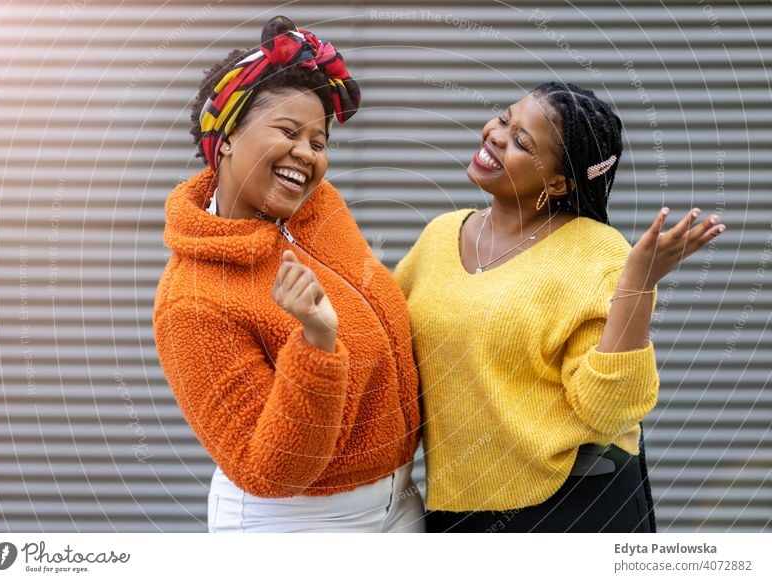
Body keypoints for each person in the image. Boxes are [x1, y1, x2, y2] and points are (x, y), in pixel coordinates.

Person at [394, 81, 726, 533]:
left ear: (557, 182)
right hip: (458, 506)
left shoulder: (599, 254)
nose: (495, 134)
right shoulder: (440, 234)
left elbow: (608, 411)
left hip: (572, 505)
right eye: (505, 118)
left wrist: (637, 284)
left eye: (520, 141)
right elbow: (384, 345)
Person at [153, 16, 422, 533]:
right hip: (298, 523)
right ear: (227, 136)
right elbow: (268, 470)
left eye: (319, 142)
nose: (308, 153)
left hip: (402, 497)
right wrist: (317, 342)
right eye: (288, 132)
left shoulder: (320, 210)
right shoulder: (191, 299)